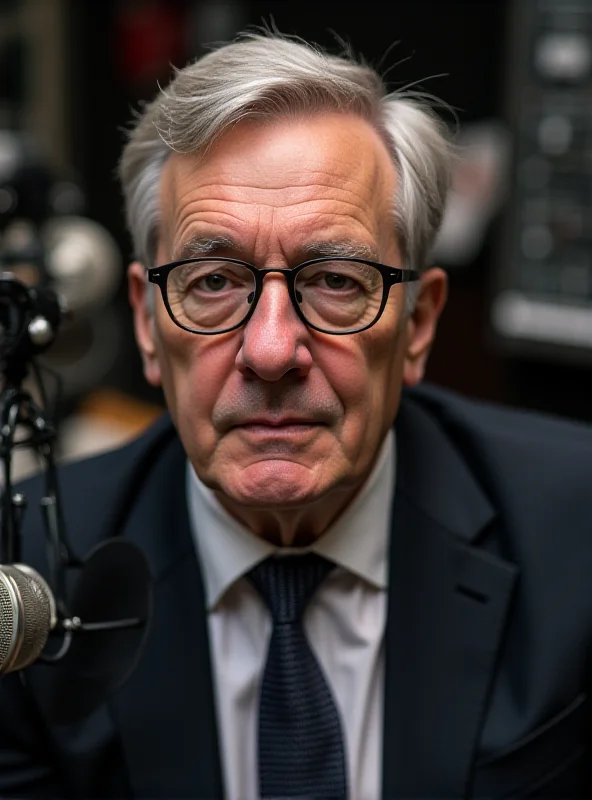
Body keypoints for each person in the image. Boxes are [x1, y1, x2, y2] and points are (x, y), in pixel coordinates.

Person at [1, 31, 591, 800]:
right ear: (148, 323)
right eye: (213, 280)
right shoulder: (30, 583)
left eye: (337, 280)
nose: (272, 349)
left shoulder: (577, 535)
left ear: (417, 325)